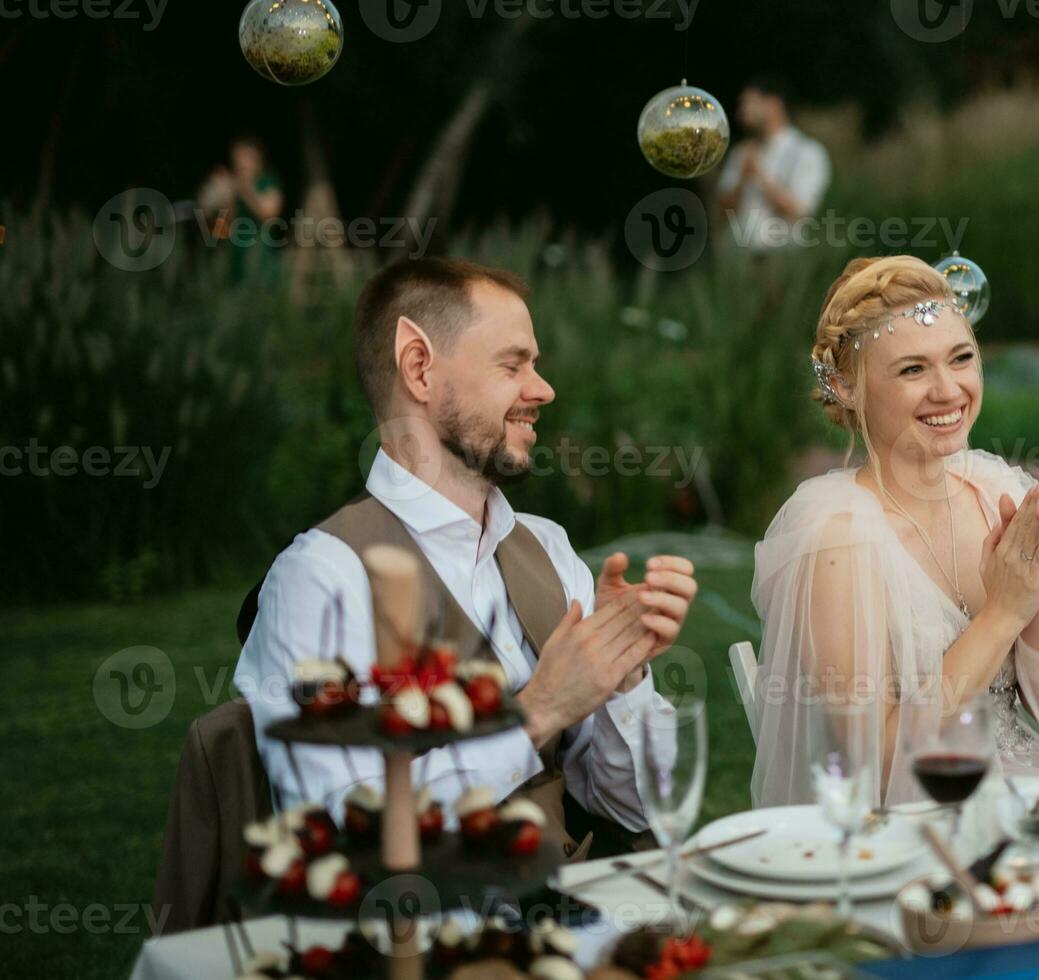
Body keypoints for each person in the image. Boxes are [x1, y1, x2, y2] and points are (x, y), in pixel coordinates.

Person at [234, 258, 699, 856]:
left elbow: (637, 810)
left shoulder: (548, 548)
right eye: (513, 365)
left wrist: (621, 673)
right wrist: (538, 710)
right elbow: (344, 836)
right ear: (420, 368)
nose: (543, 389)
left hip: (583, 916)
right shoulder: (321, 579)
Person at [749, 256, 1039, 807]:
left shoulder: (991, 490)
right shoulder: (836, 538)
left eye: (961, 359)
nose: (947, 390)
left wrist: (1034, 594)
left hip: (1025, 792)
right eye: (912, 370)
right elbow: (879, 767)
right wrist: (1001, 613)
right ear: (847, 387)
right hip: (912, 827)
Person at [715, 76, 831, 252]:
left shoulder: (807, 151)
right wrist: (743, 180)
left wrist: (760, 174)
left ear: (773, 104)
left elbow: (799, 212)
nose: (741, 112)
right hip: (739, 256)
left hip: (780, 256)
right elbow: (722, 211)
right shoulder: (741, 152)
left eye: (748, 103)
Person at [197, 135, 284, 278]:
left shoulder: (268, 181)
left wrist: (245, 189)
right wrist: (225, 195)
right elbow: (223, 227)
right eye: (238, 158)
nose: (242, 164)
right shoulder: (232, 185)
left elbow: (269, 214)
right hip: (235, 258)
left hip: (262, 256)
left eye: (247, 158)